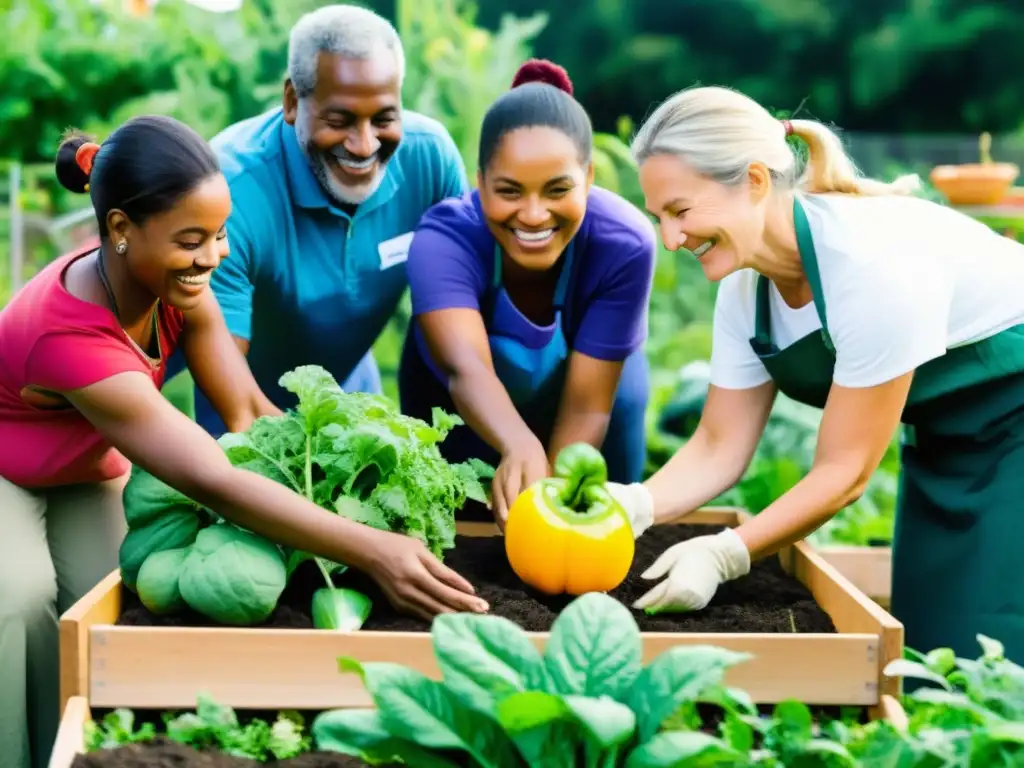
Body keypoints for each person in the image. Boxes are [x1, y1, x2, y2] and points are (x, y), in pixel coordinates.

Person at [0, 116, 486, 768]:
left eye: (221, 233)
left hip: (84, 464)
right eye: (192, 240)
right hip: (9, 468)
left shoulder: (175, 283)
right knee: (21, 600)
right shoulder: (70, 335)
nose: (215, 255)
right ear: (120, 230)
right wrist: (374, 549)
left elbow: (248, 416)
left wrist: (334, 490)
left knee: (107, 604)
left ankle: (81, 749)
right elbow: (211, 476)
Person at [606, 84, 1024, 662]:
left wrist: (727, 552)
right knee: (932, 646)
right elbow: (719, 444)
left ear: (754, 181)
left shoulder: (870, 267)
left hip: (1016, 427)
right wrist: (638, 504)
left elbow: (846, 471)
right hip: (943, 441)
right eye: (660, 218)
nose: (671, 239)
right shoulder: (745, 290)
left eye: (681, 211)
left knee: (997, 652)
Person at [165, 4, 468, 437]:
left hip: (350, 393)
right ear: (292, 101)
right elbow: (226, 376)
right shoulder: (229, 188)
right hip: (242, 411)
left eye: (383, 118)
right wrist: (306, 461)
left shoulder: (430, 160)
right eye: (339, 120)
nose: (364, 146)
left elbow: (462, 313)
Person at [399, 60, 656, 526]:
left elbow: (587, 405)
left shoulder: (624, 244)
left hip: (597, 398)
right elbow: (467, 369)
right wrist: (517, 443)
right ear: (480, 182)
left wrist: (551, 512)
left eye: (557, 189)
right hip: (460, 404)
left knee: (588, 521)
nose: (534, 215)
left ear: (590, 177)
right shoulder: (444, 240)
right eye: (510, 191)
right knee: (458, 529)